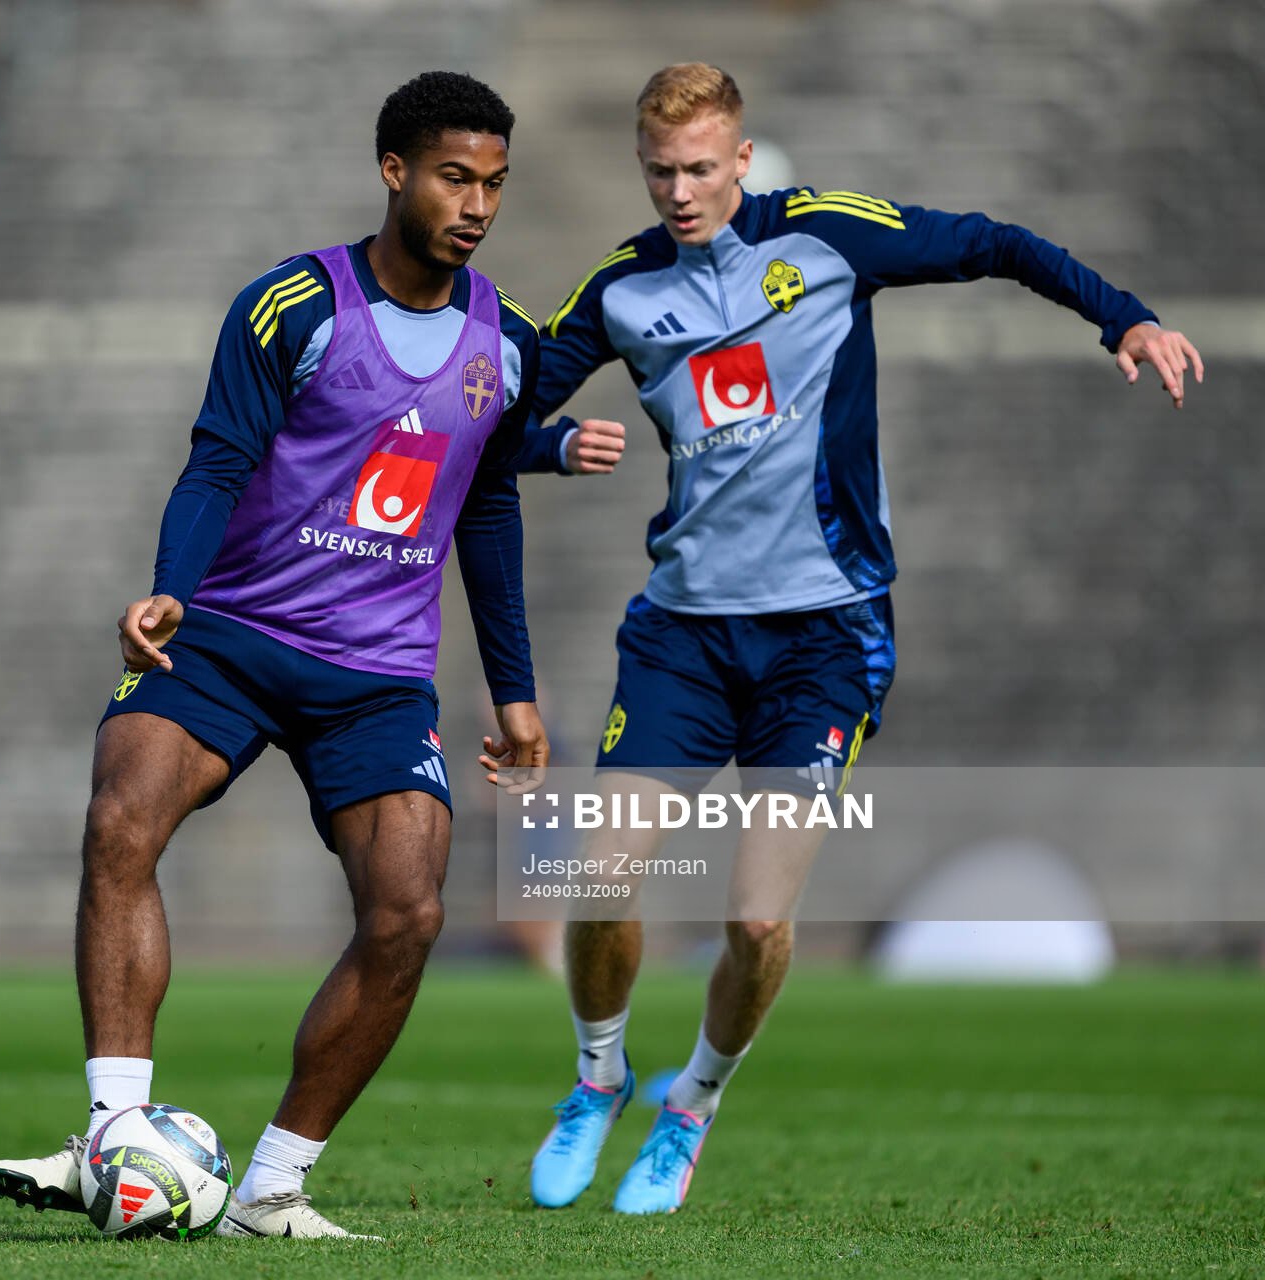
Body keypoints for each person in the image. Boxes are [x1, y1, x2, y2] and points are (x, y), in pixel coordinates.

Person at [511, 63, 1202, 1215]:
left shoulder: (831, 240)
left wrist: (1123, 315)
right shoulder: (624, 289)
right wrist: (548, 447)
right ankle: (597, 1077)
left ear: (741, 159)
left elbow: (993, 240)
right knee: (598, 875)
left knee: (756, 917)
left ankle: (690, 1106)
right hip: (682, 634)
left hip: (826, 636)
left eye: (700, 168)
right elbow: (501, 403)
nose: (680, 192)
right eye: (660, 171)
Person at [0, 71, 548, 1239]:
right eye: (455, 176)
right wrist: (169, 591)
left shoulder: (511, 344)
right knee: (119, 820)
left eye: (494, 182)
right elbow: (216, 462)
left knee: (410, 912)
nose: (477, 203)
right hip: (233, 634)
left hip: (379, 675)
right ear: (394, 170)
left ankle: (272, 1188)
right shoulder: (290, 305)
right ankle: (112, 1133)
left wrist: (518, 691)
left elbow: (487, 519)